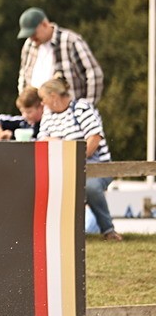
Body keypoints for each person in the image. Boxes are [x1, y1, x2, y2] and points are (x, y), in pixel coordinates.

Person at [36, 78, 122, 242]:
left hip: (95, 166)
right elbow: (42, 140)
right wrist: (64, 144)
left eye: (43, 98)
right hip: (63, 166)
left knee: (90, 186)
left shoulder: (81, 108)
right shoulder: (48, 115)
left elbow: (94, 138)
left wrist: (75, 156)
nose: (42, 103)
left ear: (53, 96)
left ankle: (108, 230)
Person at [17, 7, 103, 104]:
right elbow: (23, 75)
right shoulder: (29, 45)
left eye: (34, 33)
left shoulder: (70, 41)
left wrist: (87, 105)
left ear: (44, 24)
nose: (32, 38)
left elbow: (93, 74)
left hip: (70, 109)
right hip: (38, 109)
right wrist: (25, 103)